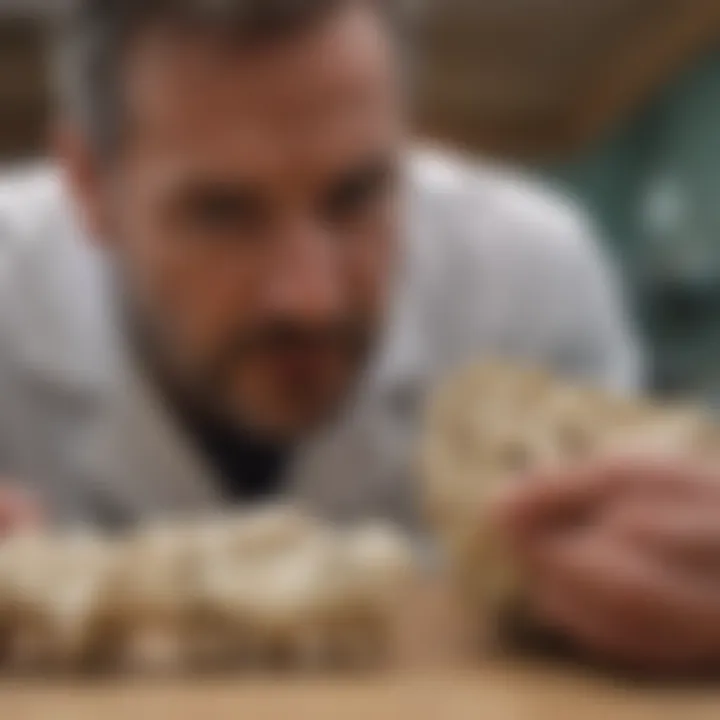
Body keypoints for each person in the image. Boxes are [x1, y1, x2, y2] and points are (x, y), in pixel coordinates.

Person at [0, 0, 715, 673]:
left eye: (357, 196)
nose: (310, 298)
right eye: (222, 213)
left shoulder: (529, 281)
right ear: (90, 187)